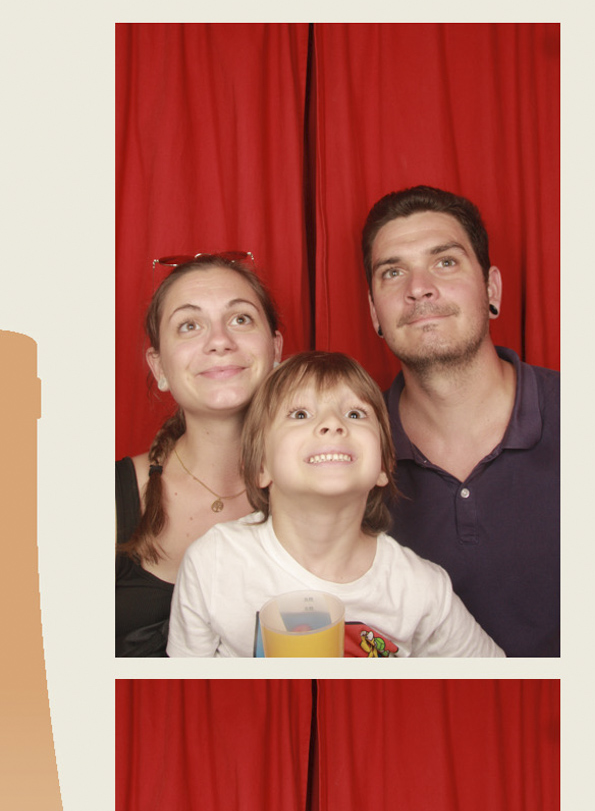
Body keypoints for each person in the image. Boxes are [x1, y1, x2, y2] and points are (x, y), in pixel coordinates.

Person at [167, 353, 502, 658]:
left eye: (355, 414)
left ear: (384, 466)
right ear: (260, 467)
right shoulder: (213, 563)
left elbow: (498, 681)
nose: (332, 424)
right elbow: (182, 691)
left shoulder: (421, 590)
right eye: (300, 414)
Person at [362, 185, 559, 657]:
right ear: (374, 312)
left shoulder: (586, 415)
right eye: (393, 272)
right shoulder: (347, 448)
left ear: (492, 289)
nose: (418, 288)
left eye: (445, 262)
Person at [117, 254, 283, 656]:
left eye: (240, 319)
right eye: (189, 325)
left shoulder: (331, 485)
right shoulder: (103, 497)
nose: (220, 340)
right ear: (159, 366)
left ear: (276, 349)